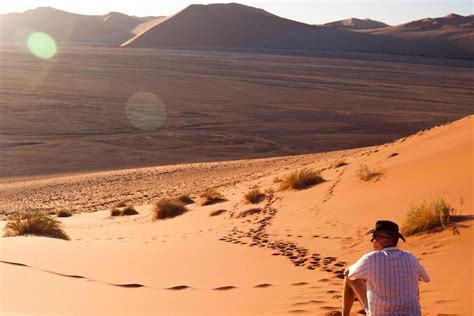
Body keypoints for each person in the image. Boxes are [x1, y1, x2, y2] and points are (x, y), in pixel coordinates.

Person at [342, 220, 430, 316]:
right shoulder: (411, 257)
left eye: (374, 237)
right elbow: (426, 278)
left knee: (348, 276)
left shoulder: (371, 258)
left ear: (386, 240)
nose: (372, 241)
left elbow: (350, 274)